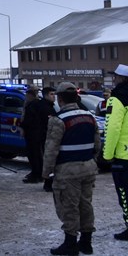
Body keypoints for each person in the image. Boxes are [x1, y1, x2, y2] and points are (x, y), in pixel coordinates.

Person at [42, 82, 100, 255]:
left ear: (60, 99)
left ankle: (70, 244)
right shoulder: (89, 116)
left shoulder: (59, 120)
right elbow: (97, 145)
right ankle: (86, 242)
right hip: (88, 168)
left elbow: (51, 149)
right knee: (86, 205)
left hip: (67, 171)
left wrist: (46, 173)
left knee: (69, 206)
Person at [103, 63, 128, 241]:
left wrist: (107, 155)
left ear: (121, 78)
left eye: (116, 76)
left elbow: (112, 129)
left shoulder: (117, 98)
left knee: (125, 195)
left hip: (123, 156)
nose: (114, 79)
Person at [21, 86, 56, 184]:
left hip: (38, 135)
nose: (54, 97)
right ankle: (38, 175)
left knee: (38, 156)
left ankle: (38, 175)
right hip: (36, 135)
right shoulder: (41, 106)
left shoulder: (45, 105)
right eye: (51, 94)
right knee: (36, 156)